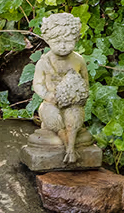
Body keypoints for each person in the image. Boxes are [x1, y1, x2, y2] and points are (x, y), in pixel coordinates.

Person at [32, 12, 90, 164]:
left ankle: (70, 147)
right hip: (52, 103)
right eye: (57, 41)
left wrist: (79, 95)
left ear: (76, 38)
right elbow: (37, 84)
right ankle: (68, 145)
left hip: (72, 104)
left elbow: (85, 81)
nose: (63, 46)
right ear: (48, 40)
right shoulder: (44, 62)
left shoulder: (78, 61)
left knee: (75, 116)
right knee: (53, 116)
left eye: (68, 41)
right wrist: (47, 95)